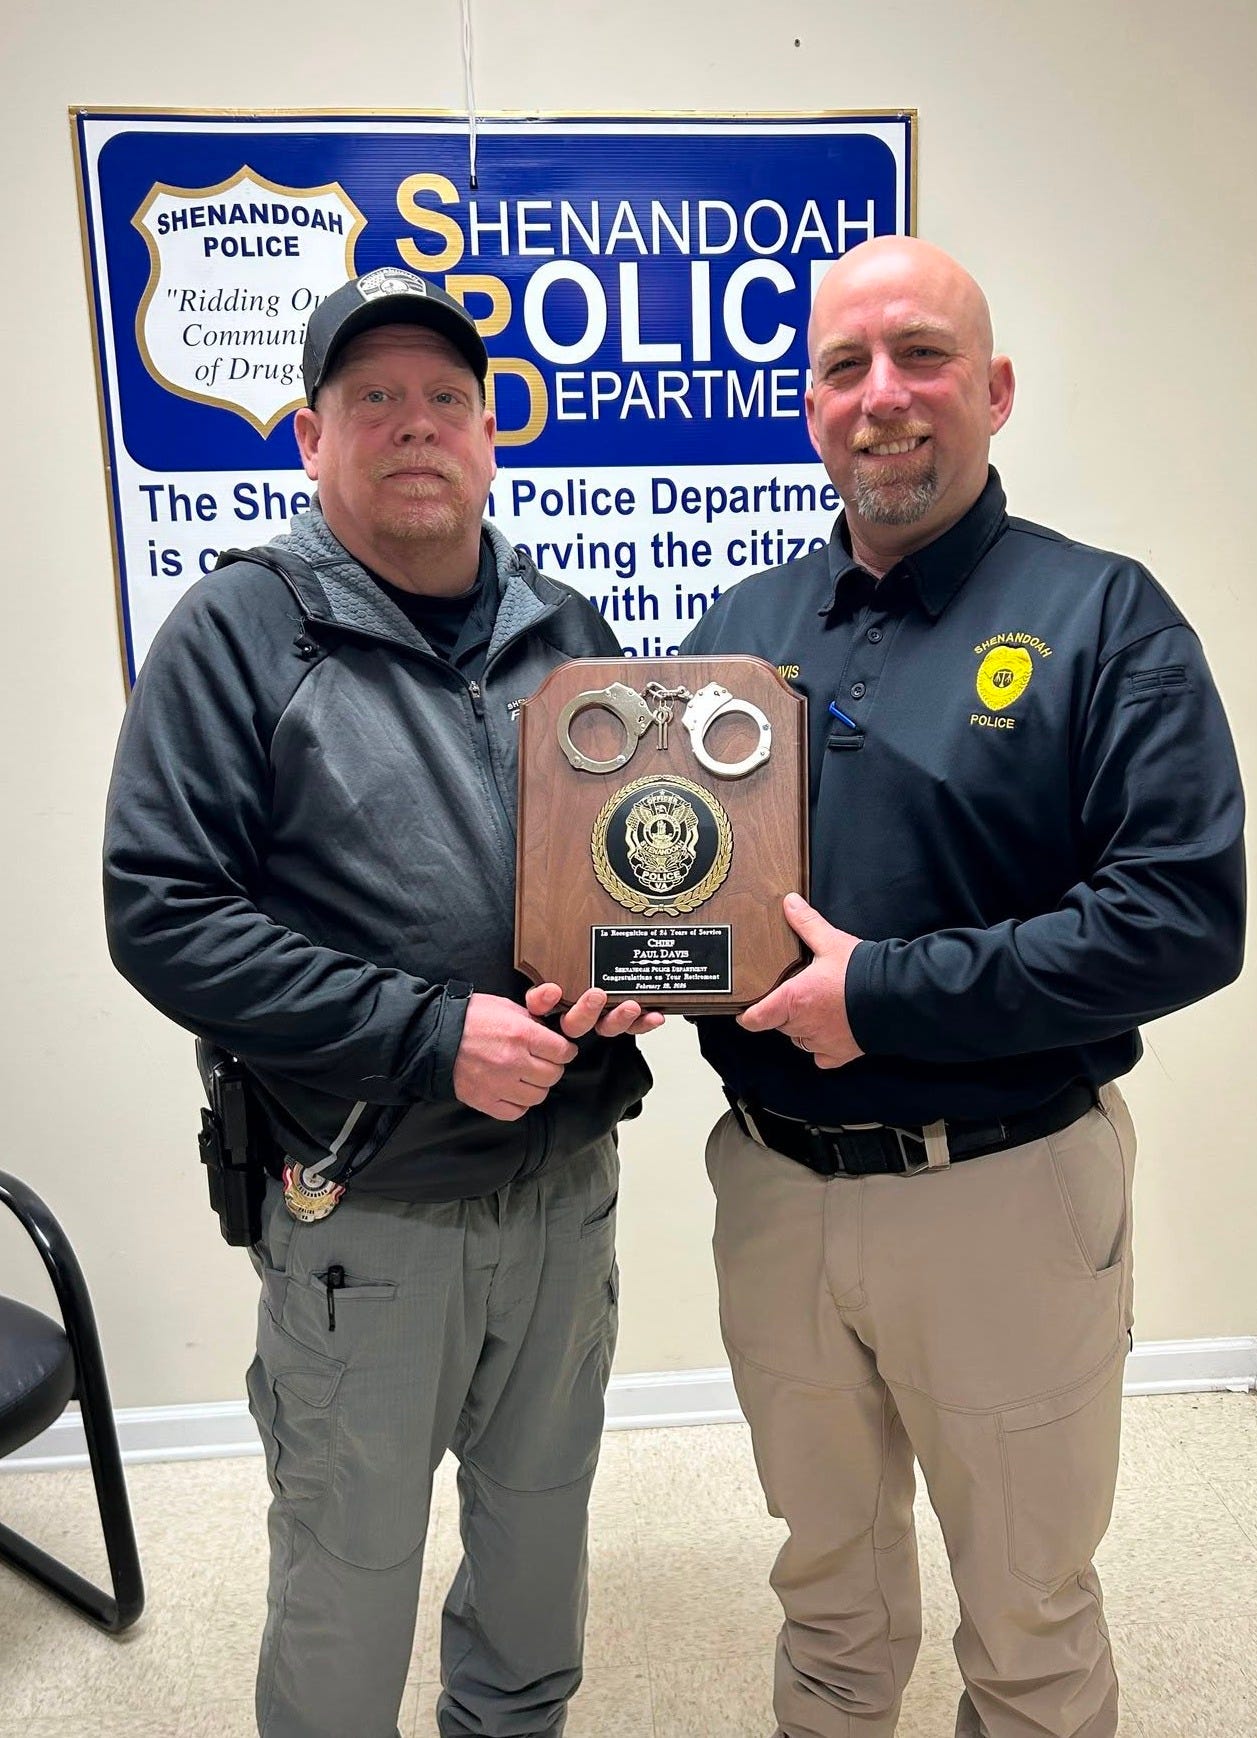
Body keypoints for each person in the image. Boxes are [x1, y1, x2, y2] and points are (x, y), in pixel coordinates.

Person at [680, 236, 1245, 1738]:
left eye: (921, 356)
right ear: (810, 406)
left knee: (1030, 1624)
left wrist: (884, 996)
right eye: (844, 366)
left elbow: (1182, 919)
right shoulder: (736, 634)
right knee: (827, 1598)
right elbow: (671, 891)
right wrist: (609, 971)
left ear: (993, 391)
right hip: (774, 1194)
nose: (883, 395)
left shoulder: (1105, 618)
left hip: (1001, 1191)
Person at [103, 268, 660, 1738]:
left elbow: (619, 866)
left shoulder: (566, 625)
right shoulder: (237, 632)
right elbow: (162, 913)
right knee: (347, 1593)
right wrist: (431, 1035)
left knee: (538, 1557)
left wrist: (631, 970)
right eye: (375, 399)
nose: (417, 425)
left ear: (489, 434)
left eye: (446, 399)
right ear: (311, 436)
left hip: (565, 1194)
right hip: (369, 1209)